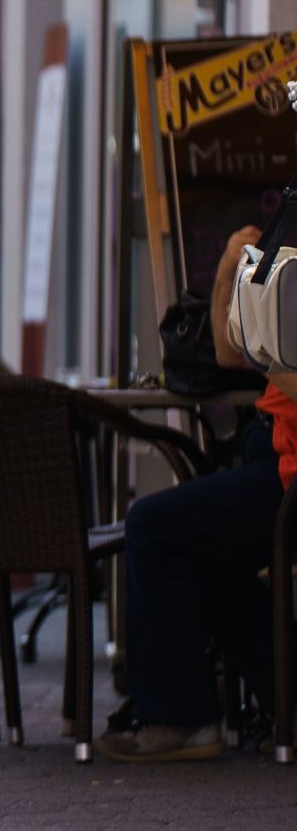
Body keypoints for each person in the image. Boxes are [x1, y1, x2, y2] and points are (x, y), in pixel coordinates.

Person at [97, 223, 296, 762]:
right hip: (273, 450)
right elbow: (232, 353)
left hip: (289, 469)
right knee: (206, 551)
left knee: (155, 527)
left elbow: (257, 354)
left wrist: (272, 345)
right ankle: (288, 707)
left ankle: (179, 718)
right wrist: (232, 267)